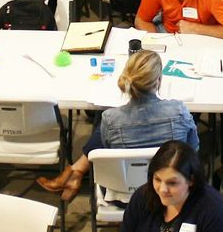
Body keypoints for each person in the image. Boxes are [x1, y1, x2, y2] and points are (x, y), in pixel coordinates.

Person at [38, 47, 198, 201]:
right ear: (158, 81)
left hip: (123, 194)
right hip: (171, 193)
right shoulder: (179, 112)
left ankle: (75, 172)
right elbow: (193, 149)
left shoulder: (110, 119)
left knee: (102, 124)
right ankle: (75, 173)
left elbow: (108, 155)